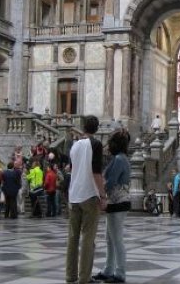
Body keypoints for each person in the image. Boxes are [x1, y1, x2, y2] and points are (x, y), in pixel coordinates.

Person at [65, 115, 106, 284]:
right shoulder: (95, 144)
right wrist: (103, 195)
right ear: (96, 129)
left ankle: (70, 275)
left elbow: (71, 168)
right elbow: (96, 172)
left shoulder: (75, 145)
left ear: (83, 127)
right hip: (89, 195)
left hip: (74, 195)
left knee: (73, 237)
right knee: (88, 238)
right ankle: (84, 277)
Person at [93, 129, 131, 284]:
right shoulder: (119, 158)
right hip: (115, 203)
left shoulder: (120, 159)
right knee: (109, 239)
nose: (108, 146)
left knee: (116, 239)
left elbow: (111, 181)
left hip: (118, 202)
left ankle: (120, 272)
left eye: (110, 143)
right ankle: (108, 269)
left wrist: (98, 192)